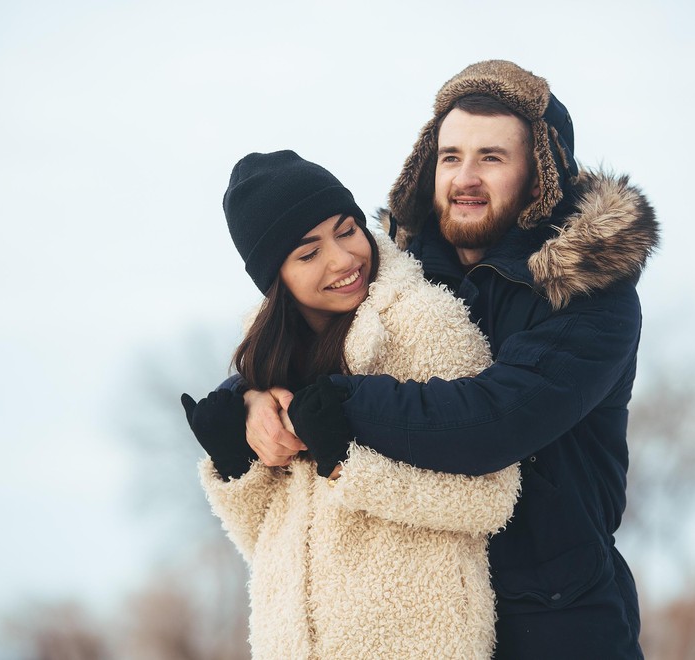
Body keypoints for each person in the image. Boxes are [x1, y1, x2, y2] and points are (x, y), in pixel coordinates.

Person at [244, 61, 660, 658]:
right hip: (418, 622)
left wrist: (336, 400)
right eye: (449, 156)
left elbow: (493, 421)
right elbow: (295, 337)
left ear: (540, 172)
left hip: (555, 622)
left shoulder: (591, 294)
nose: (465, 177)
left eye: (491, 157)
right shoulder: (394, 277)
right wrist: (253, 396)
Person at [181, 150, 521, 658]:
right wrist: (237, 469)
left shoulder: (424, 322)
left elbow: (492, 498)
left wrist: (346, 465)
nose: (342, 259)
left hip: (416, 642)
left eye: (346, 230)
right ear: (275, 278)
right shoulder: (269, 361)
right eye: (308, 252)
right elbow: (271, 545)